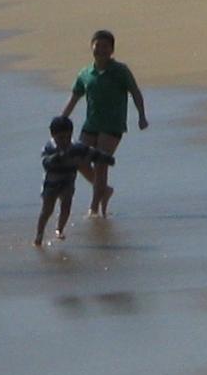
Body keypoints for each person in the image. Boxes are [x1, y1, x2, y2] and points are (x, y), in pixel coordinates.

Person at [59, 30, 149, 217]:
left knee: (101, 164)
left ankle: (94, 208)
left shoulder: (120, 71)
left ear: (112, 50)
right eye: (97, 46)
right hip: (91, 124)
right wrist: (61, 120)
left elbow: (135, 92)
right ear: (91, 47)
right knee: (76, 159)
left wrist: (142, 116)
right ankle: (104, 190)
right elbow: (74, 98)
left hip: (113, 125)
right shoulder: (85, 73)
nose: (101, 50)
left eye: (105, 46)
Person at [33, 115, 114, 247]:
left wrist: (106, 158)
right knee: (47, 209)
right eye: (61, 138)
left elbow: (91, 152)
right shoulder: (50, 147)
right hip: (51, 183)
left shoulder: (76, 147)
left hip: (68, 181)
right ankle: (39, 235)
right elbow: (45, 162)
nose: (64, 141)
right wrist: (58, 157)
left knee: (66, 206)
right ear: (53, 136)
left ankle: (59, 229)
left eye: (67, 137)